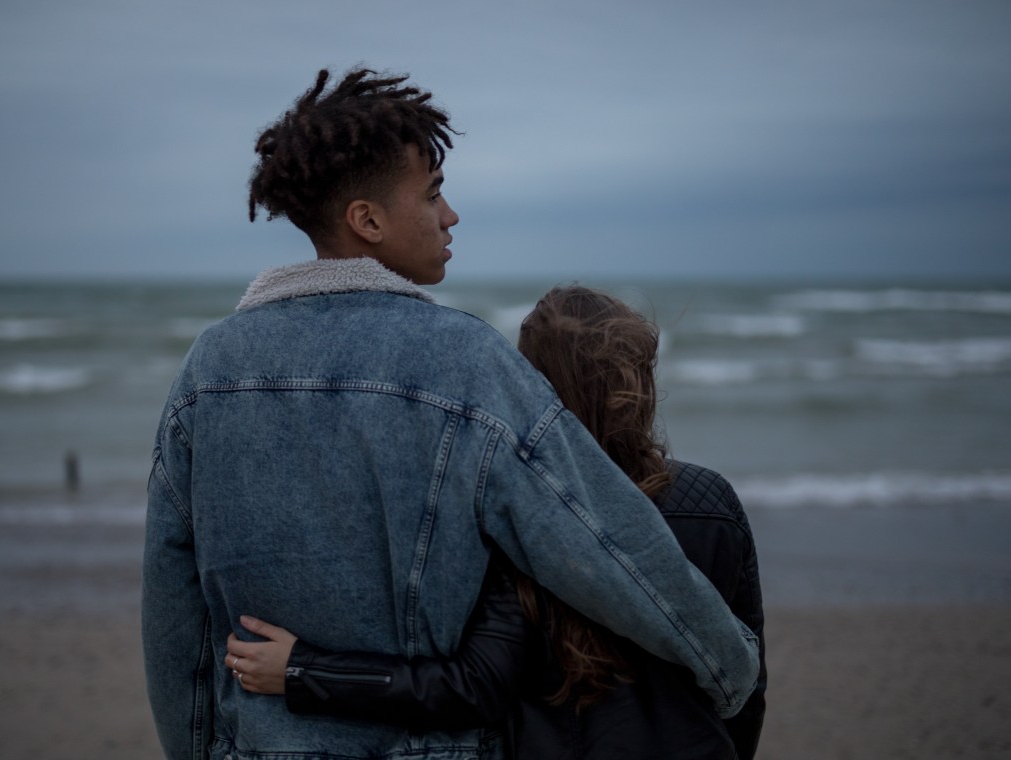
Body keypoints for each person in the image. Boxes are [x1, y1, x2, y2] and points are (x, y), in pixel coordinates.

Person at [142, 67, 759, 760]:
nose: (451, 215)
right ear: (367, 220)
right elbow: (600, 537)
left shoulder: (208, 370)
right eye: (433, 194)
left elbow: (176, 610)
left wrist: (197, 747)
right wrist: (728, 664)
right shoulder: (464, 360)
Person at [225, 286, 767, 758]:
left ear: (532, 384)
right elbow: (748, 681)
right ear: (640, 380)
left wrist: (305, 670)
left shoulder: (511, 504)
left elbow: (473, 686)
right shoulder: (710, 500)